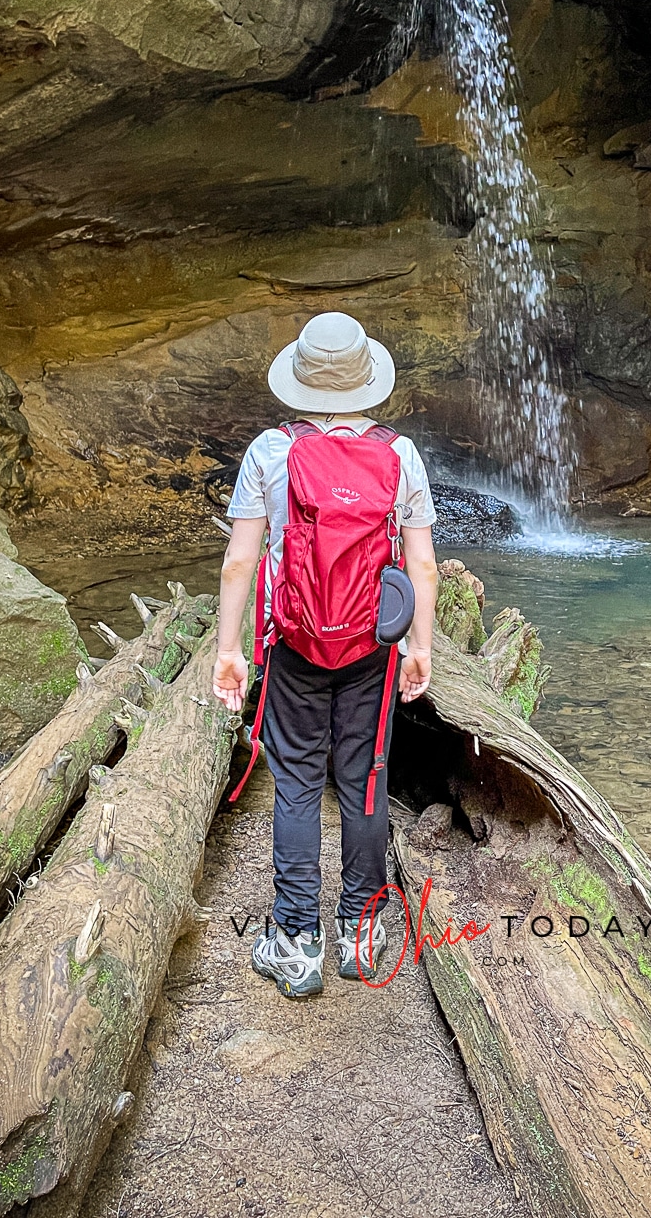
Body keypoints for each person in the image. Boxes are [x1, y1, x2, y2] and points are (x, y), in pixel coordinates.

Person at [211, 311, 439, 998]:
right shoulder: (400, 456)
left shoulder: (270, 452)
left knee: (298, 784)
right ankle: (362, 937)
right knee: (366, 780)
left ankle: (296, 944)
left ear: (303, 383)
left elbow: (240, 562)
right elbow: (422, 566)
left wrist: (229, 651)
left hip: (294, 646)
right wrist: (421, 647)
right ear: (365, 381)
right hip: (374, 646)